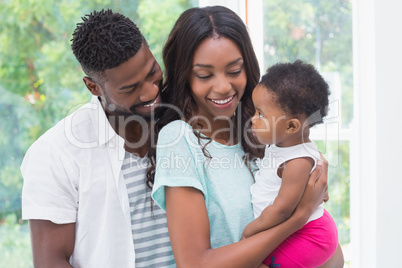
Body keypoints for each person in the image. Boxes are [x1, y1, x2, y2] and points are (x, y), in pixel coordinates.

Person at [149, 6, 343, 268]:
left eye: (234, 71)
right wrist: (297, 218)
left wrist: (305, 214)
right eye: (205, 75)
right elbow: (195, 264)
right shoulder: (179, 139)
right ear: (185, 76)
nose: (223, 87)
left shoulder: (267, 129)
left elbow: (326, 250)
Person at [20, 9, 175, 268]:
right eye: (130, 88)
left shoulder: (177, 117)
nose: (150, 91)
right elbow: (51, 262)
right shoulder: (54, 154)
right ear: (93, 87)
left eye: (151, 72)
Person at [242, 60, 339, 267]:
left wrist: (251, 231)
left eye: (260, 114)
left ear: (291, 126)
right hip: (303, 229)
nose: (253, 119)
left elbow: (282, 209)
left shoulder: (296, 162)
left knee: (255, 260)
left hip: (309, 236)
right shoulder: (283, 144)